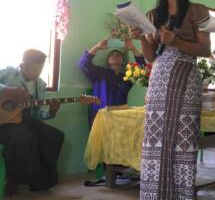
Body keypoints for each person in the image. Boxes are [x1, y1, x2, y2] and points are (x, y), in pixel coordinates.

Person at [130, 0, 211, 200]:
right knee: (155, 142)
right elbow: (150, 56)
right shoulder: (153, 15)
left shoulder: (198, 10)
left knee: (181, 140)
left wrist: (176, 42)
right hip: (159, 79)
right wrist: (141, 38)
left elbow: (205, 49)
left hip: (186, 77)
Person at [0, 49, 64, 196]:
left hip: (26, 119)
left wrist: (52, 112)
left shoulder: (40, 85)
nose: (37, 73)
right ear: (23, 66)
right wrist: (8, 89)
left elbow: (37, 115)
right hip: (4, 121)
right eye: (34, 69)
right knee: (24, 137)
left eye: (40, 69)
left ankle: (39, 181)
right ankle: (13, 178)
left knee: (54, 136)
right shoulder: (8, 73)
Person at [79, 38, 145, 126]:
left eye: (118, 55)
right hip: (101, 119)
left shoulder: (128, 76)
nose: (115, 56)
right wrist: (97, 47)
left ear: (123, 61)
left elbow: (143, 70)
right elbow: (83, 63)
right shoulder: (99, 73)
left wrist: (133, 48)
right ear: (107, 60)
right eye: (112, 55)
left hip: (121, 120)